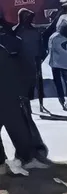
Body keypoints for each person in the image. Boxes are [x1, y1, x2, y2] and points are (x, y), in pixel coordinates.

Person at [0, 15, 42, 176]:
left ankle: (17, 161)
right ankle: (26, 159)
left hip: (8, 98)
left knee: (18, 129)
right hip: (9, 99)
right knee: (19, 129)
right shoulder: (4, 50)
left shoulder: (3, 51)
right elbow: (14, 74)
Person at [14, 9, 46, 111]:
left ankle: (28, 104)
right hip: (25, 61)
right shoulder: (17, 31)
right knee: (26, 84)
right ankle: (26, 104)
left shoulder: (19, 31)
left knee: (30, 84)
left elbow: (40, 47)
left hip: (31, 61)